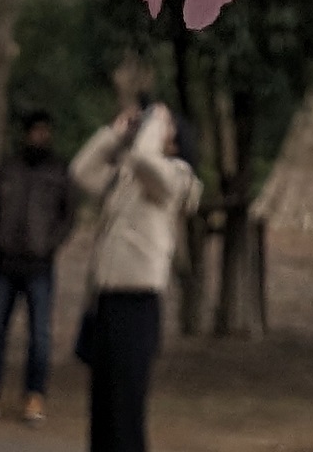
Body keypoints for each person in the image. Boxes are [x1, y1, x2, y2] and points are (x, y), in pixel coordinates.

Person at [71, 101, 201, 452]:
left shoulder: (176, 178)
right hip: (106, 299)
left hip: (139, 303)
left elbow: (147, 162)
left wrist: (156, 124)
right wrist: (115, 134)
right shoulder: (127, 177)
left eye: (164, 126)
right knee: (102, 408)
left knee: (126, 408)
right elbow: (81, 171)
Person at [0, 108, 77, 429]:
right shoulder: (8, 168)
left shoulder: (58, 171)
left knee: (40, 335)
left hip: (40, 267)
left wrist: (49, 245)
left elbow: (68, 216)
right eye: (35, 131)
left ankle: (35, 395)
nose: (40, 137)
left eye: (45, 131)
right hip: (5, 264)